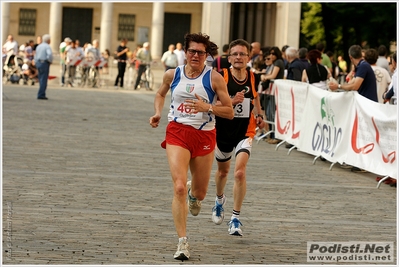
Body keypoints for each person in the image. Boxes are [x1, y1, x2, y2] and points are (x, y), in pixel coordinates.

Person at [149, 32, 234, 261]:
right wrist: (158, 112)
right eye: (192, 51)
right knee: (177, 187)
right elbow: (160, 94)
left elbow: (229, 111)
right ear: (185, 52)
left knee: (200, 192)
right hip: (177, 132)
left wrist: (208, 107)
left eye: (201, 52)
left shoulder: (214, 78)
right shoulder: (172, 74)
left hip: (205, 135)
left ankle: (193, 194)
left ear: (207, 55)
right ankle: (182, 242)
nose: (196, 55)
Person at [211, 39, 265, 237]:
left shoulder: (252, 76)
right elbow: (213, 105)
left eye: (242, 54)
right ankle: (218, 200)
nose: (239, 57)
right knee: (223, 173)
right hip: (223, 131)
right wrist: (232, 102)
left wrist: (260, 115)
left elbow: (255, 97)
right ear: (229, 57)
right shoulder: (220, 77)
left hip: (245, 131)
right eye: (235, 54)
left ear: (249, 57)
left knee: (239, 173)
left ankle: (235, 218)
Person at [260, 46, 285, 144]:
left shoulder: (278, 62)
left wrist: (264, 77)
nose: (271, 56)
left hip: (275, 90)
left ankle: (275, 135)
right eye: (270, 53)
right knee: (269, 112)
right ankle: (272, 134)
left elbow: (273, 75)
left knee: (272, 113)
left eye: (273, 54)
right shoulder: (275, 63)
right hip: (271, 91)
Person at [34, 34, 53, 100]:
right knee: (43, 79)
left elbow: (35, 55)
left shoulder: (39, 46)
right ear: (48, 40)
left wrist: (36, 62)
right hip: (44, 62)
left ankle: (41, 92)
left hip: (38, 62)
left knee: (40, 78)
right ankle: (41, 94)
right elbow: (49, 54)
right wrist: (50, 61)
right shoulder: (47, 46)